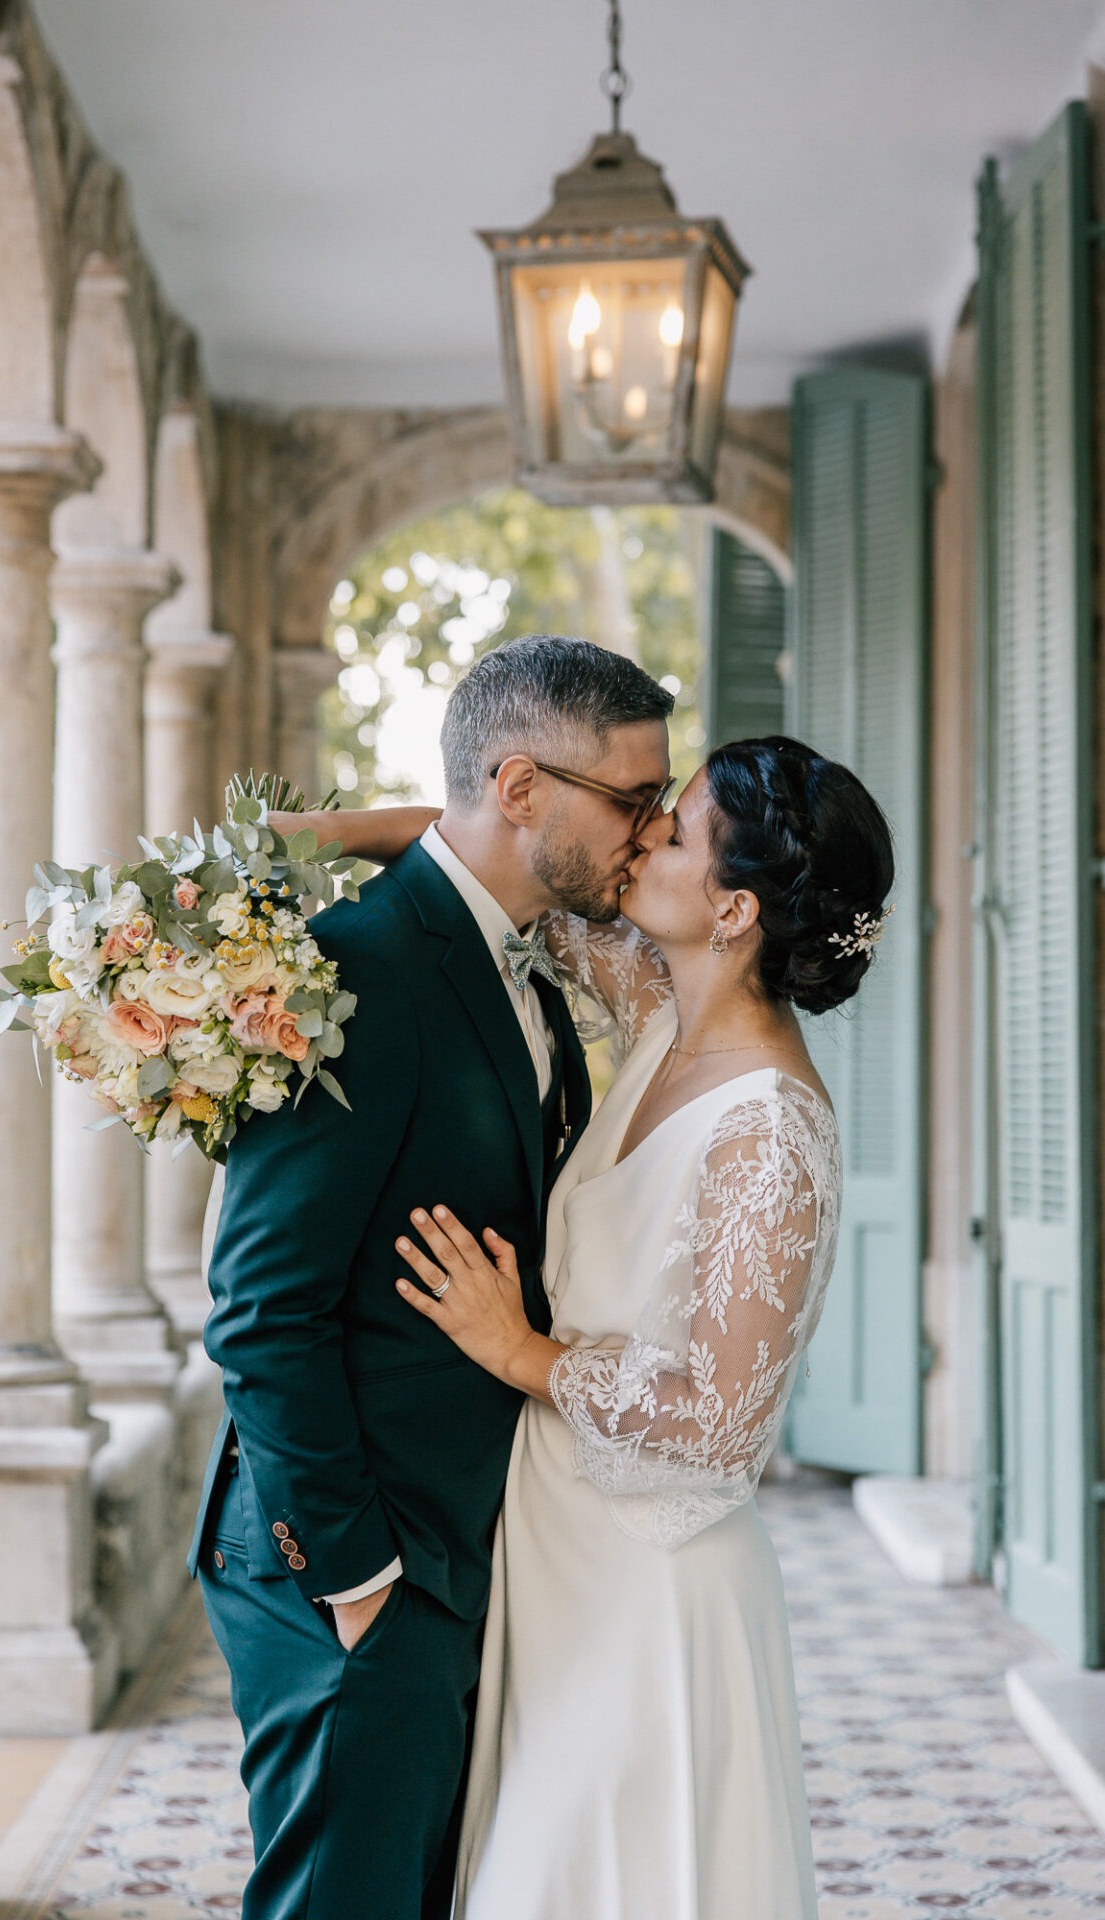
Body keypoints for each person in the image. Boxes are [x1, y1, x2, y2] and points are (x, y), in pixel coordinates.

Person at [324, 733, 894, 1920]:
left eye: (672, 832)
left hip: (650, 1590)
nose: (641, 838)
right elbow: (480, 856)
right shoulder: (657, 1017)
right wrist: (289, 849)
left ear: (731, 908)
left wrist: (519, 1349)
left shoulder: (769, 1134)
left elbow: (721, 1425)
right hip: (554, 1554)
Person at [187, 633, 674, 1920]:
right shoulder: (362, 968)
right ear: (520, 790)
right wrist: (352, 1578)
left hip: (460, 1551)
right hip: (355, 1566)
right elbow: (257, 1310)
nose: (652, 832)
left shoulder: (520, 950)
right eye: (632, 801)